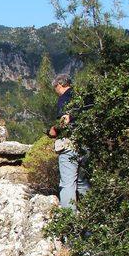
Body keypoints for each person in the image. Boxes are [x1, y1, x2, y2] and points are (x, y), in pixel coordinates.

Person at [48, 75, 89, 209]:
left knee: (67, 183)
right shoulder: (83, 96)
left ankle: (69, 219)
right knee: (82, 182)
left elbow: (64, 121)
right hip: (86, 143)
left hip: (70, 144)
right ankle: (91, 215)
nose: (55, 91)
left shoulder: (64, 98)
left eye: (55, 88)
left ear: (59, 85)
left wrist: (53, 130)